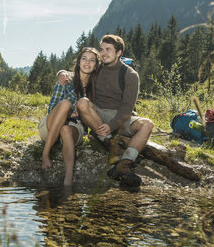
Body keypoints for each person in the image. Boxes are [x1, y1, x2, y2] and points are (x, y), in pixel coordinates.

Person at [58, 35, 154, 187]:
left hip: (121, 117)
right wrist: (62, 73)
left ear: (119, 52)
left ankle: (124, 164)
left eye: (108, 50)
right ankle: (111, 145)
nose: (103, 53)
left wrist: (112, 125)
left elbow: (127, 108)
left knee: (147, 124)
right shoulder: (97, 68)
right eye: (102, 49)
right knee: (82, 103)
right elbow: (80, 70)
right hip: (97, 113)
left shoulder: (130, 75)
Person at [38, 47, 101, 186]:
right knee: (65, 104)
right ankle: (45, 154)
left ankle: (68, 182)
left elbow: (96, 112)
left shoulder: (97, 86)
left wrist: (82, 110)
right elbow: (52, 108)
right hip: (50, 126)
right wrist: (68, 112)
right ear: (78, 62)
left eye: (92, 60)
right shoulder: (66, 79)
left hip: (75, 128)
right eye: (84, 58)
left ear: (96, 65)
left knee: (66, 130)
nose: (87, 62)